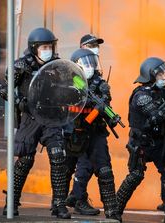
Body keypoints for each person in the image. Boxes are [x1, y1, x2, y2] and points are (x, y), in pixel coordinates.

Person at [0, 27, 71, 219]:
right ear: (34, 48)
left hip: (51, 118)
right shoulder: (21, 66)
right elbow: (4, 88)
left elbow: (76, 83)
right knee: (24, 161)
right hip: (30, 118)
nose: (48, 50)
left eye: (51, 46)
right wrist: (19, 102)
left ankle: (59, 205)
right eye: (44, 47)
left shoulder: (58, 65)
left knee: (58, 157)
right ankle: (11, 203)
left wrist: (79, 88)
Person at [116, 57, 165, 223]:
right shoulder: (141, 95)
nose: (164, 77)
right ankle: (115, 209)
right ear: (151, 75)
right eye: (160, 74)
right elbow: (155, 116)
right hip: (142, 142)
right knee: (136, 175)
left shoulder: (162, 92)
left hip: (160, 141)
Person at [61, 48, 121, 221]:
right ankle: (60, 202)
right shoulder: (69, 82)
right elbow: (69, 104)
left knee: (104, 169)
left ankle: (111, 209)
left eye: (91, 62)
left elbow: (105, 104)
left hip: (95, 133)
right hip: (75, 132)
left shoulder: (101, 84)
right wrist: (93, 108)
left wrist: (107, 114)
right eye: (85, 63)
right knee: (66, 168)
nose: (90, 66)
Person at [65, 33, 105, 215]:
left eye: (97, 45)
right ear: (81, 47)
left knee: (83, 164)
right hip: (75, 127)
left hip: (89, 127)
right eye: (91, 45)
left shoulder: (96, 72)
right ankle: (67, 199)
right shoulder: (75, 74)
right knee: (71, 165)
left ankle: (75, 196)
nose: (95, 48)